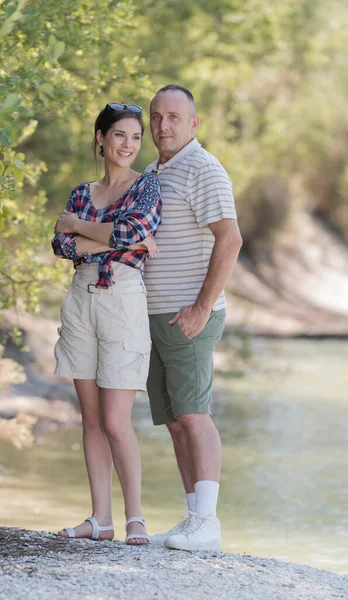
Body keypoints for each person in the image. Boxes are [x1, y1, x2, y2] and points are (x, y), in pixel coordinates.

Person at [51, 102, 162, 545]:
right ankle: (101, 519)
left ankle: (135, 517)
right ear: (101, 138)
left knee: (116, 422)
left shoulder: (147, 186)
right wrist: (109, 237)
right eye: (120, 136)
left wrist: (81, 230)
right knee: (91, 420)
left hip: (122, 300)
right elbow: (60, 245)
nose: (129, 145)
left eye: (136, 137)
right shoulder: (82, 190)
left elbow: (130, 232)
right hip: (80, 301)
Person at [144, 85, 242, 551]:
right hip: (155, 316)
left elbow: (230, 239)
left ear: (193, 123)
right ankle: (192, 519)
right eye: (157, 117)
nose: (164, 126)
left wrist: (202, 308)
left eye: (174, 117)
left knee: (194, 415)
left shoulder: (203, 168)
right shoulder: (153, 171)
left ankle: (208, 522)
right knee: (176, 420)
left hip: (189, 317)